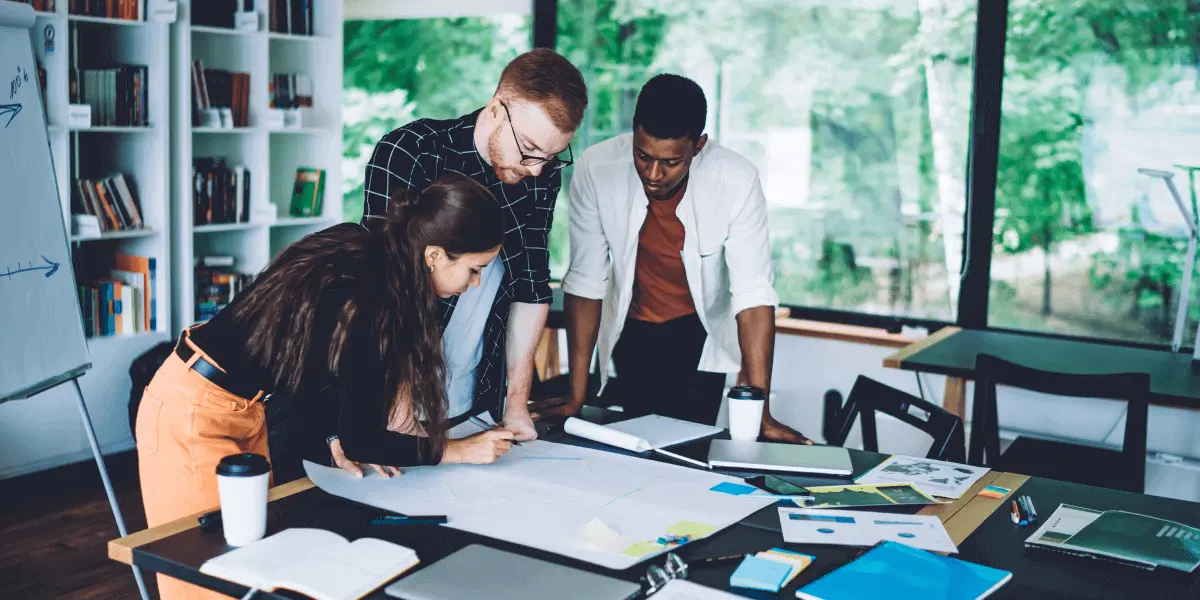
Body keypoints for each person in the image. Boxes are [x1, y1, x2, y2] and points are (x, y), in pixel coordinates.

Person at [135, 174, 515, 600]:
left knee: (255, 568)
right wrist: (459, 449)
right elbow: (366, 440)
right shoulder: (372, 295)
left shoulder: (367, 252)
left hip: (245, 406)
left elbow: (310, 358)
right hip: (195, 411)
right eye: (474, 269)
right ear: (434, 255)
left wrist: (334, 432)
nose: (476, 283)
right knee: (211, 577)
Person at [345, 48, 587, 474]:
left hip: (474, 396)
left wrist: (516, 402)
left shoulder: (540, 174)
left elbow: (531, 285)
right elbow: (383, 282)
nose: (536, 170)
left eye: (551, 157)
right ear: (496, 109)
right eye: (530, 149)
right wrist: (398, 403)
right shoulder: (412, 152)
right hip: (398, 395)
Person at [537, 73, 811, 444]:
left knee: (691, 448)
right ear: (633, 130)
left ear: (698, 145)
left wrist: (760, 411)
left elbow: (753, 294)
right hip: (631, 328)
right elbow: (586, 280)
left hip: (700, 333)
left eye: (670, 163)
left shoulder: (736, 179)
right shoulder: (596, 168)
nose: (653, 174)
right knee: (635, 443)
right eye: (643, 156)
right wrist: (576, 394)